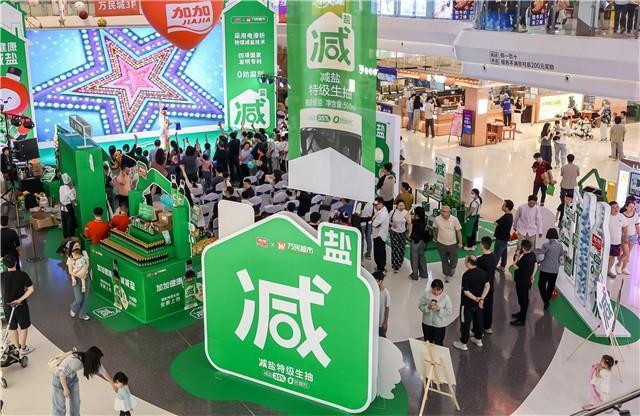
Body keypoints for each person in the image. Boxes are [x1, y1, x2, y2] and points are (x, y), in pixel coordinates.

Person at [52, 346, 116, 416]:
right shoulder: (76, 362)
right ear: (92, 359)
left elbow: (103, 372)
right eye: (97, 360)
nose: (98, 362)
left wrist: (112, 384)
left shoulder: (87, 359)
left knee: (76, 404)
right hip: (59, 380)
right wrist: (65, 388)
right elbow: (62, 374)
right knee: (60, 407)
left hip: (72, 379)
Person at [453, 255, 490, 351]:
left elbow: (466, 292)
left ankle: (463, 342)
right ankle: (478, 339)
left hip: (467, 304)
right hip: (479, 304)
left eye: (465, 260)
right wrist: (481, 298)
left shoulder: (466, 275)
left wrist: (476, 299)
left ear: (469, 263)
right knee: (478, 320)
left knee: (465, 323)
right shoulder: (483, 273)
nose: (464, 262)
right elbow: (487, 286)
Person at [1, 254, 35, 356]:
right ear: (16, 262)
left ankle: (17, 348)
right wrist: (19, 300)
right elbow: (31, 289)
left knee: (12, 327)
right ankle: (23, 347)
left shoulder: (2, 276)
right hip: (20, 305)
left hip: (7, 305)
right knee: (24, 326)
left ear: (5, 265)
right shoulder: (23, 275)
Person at [535, 228, 563, 309]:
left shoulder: (545, 245)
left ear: (548, 235)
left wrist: (537, 261)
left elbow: (541, 257)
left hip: (545, 268)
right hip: (555, 269)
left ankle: (546, 300)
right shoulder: (560, 246)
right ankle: (547, 299)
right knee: (551, 286)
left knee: (541, 284)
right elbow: (561, 256)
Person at [418, 279, 452, 345]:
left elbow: (449, 311)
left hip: (439, 326)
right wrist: (427, 307)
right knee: (427, 343)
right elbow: (420, 306)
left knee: (438, 343)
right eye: (433, 289)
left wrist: (439, 310)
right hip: (427, 324)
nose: (436, 292)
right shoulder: (426, 295)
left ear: (442, 289)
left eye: (438, 290)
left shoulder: (445, 298)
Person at [511, 239, 537, 326]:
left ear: (523, 248)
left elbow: (514, 266)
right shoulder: (532, 254)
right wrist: (532, 275)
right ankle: (521, 313)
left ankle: (522, 320)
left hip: (521, 282)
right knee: (524, 298)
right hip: (527, 281)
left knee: (523, 300)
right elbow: (535, 265)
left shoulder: (525, 259)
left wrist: (517, 256)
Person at [434, 206, 463, 283]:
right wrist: (437, 238)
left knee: (454, 259)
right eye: (442, 211)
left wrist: (460, 242)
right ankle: (446, 274)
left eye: (445, 211)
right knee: (444, 260)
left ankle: (453, 268)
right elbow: (436, 229)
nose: (442, 213)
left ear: (449, 212)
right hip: (441, 243)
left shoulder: (454, 219)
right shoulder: (437, 219)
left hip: (452, 244)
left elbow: (458, 231)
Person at [477, 236, 497, 334]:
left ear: (482, 245)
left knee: (480, 309)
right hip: (491, 287)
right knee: (489, 307)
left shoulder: (480, 260)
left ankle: (478, 330)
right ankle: (487, 327)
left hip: (482, 288)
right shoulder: (494, 257)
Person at [389, 200, 411, 273]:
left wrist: (409, 233)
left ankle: (400, 261)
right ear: (397, 206)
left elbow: (409, 223)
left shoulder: (406, 213)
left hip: (403, 233)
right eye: (400, 205)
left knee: (402, 248)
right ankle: (395, 266)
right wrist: (392, 224)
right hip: (394, 232)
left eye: (403, 205)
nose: (401, 207)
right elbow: (388, 220)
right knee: (395, 249)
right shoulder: (393, 212)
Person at [409, 207, 430, 280]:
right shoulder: (424, 221)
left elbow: (406, 216)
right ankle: (424, 274)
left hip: (415, 242)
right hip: (422, 242)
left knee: (414, 258)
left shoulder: (414, 221)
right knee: (422, 257)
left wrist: (411, 208)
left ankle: (415, 275)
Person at [493, 200, 514, 272]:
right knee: (504, 252)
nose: (502, 206)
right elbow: (497, 222)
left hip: (501, 238)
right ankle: (502, 266)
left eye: (503, 205)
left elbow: (497, 223)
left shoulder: (506, 217)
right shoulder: (508, 216)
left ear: (507, 208)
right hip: (504, 238)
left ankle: (492, 267)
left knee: (497, 253)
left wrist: (497, 224)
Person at [620, 200, 639, 275]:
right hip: (623, 236)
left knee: (628, 253)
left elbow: (637, 226)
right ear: (626, 207)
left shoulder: (636, 215)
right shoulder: (621, 215)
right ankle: (618, 264)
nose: (632, 208)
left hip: (632, 236)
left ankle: (624, 268)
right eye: (630, 206)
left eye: (633, 207)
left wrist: (639, 235)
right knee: (622, 252)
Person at [372, 197, 390, 273]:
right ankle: (381, 266)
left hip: (379, 235)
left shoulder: (383, 213)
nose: (375, 206)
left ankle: (381, 268)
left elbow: (374, 223)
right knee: (381, 251)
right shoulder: (380, 210)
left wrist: (374, 223)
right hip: (378, 234)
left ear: (381, 203)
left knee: (379, 252)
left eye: (376, 205)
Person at [608, 201, 625, 278]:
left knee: (613, 257)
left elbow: (625, 228)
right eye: (613, 207)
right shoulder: (606, 216)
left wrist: (624, 239)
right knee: (604, 257)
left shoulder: (621, 216)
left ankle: (608, 271)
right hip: (606, 241)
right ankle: (601, 271)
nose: (616, 209)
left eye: (617, 207)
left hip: (616, 242)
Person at [59, 173, 78, 238]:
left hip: (62, 208)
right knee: (70, 223)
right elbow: (74, 201)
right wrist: (73, 190)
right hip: (68, 207)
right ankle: (70, 237)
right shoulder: (69, 191)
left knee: (64, 223)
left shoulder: (61, 187)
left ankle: (66, 237)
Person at [374, 271, 390, 337]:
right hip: (374, 321)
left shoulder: (385, 293)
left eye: (377, 280)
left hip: (381, 323)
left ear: (381, 281)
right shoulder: (374, 291)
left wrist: (385, 322)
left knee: (381, 337)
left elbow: (387, 309)